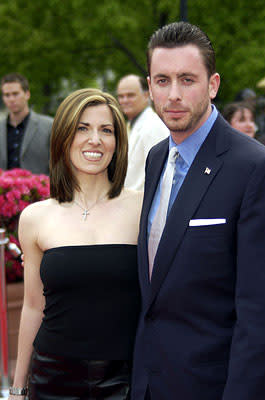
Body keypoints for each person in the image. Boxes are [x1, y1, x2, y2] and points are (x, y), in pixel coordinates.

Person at [131, 21, 265, 400]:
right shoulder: (157, 158)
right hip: (148, 385)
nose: (173, 94)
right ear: (150, 86)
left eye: (187, 80)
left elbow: (257, 314)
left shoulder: (253, 167)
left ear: (213, 84)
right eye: (162, 81)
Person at [9, 88, 142, 400]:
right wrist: (17, 389)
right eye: (82, 128)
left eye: (106, 130)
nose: (94, 139)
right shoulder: (35, 218)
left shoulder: (144, 208)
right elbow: (32, 306)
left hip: (128, 378)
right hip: (52, 377)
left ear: (118, 142)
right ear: (64, 136)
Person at [117, 74, 168, 190]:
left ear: (146, 95)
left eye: (130, 95)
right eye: (121, 96)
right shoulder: (130, 125)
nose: (124, 100)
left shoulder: (153, 126)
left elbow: (160, 175)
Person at [0, 73, 53, 175]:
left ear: (27, 94)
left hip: (40, 189)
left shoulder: (49, 126)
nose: (11, 99)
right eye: (7, 95)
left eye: (15, 94)